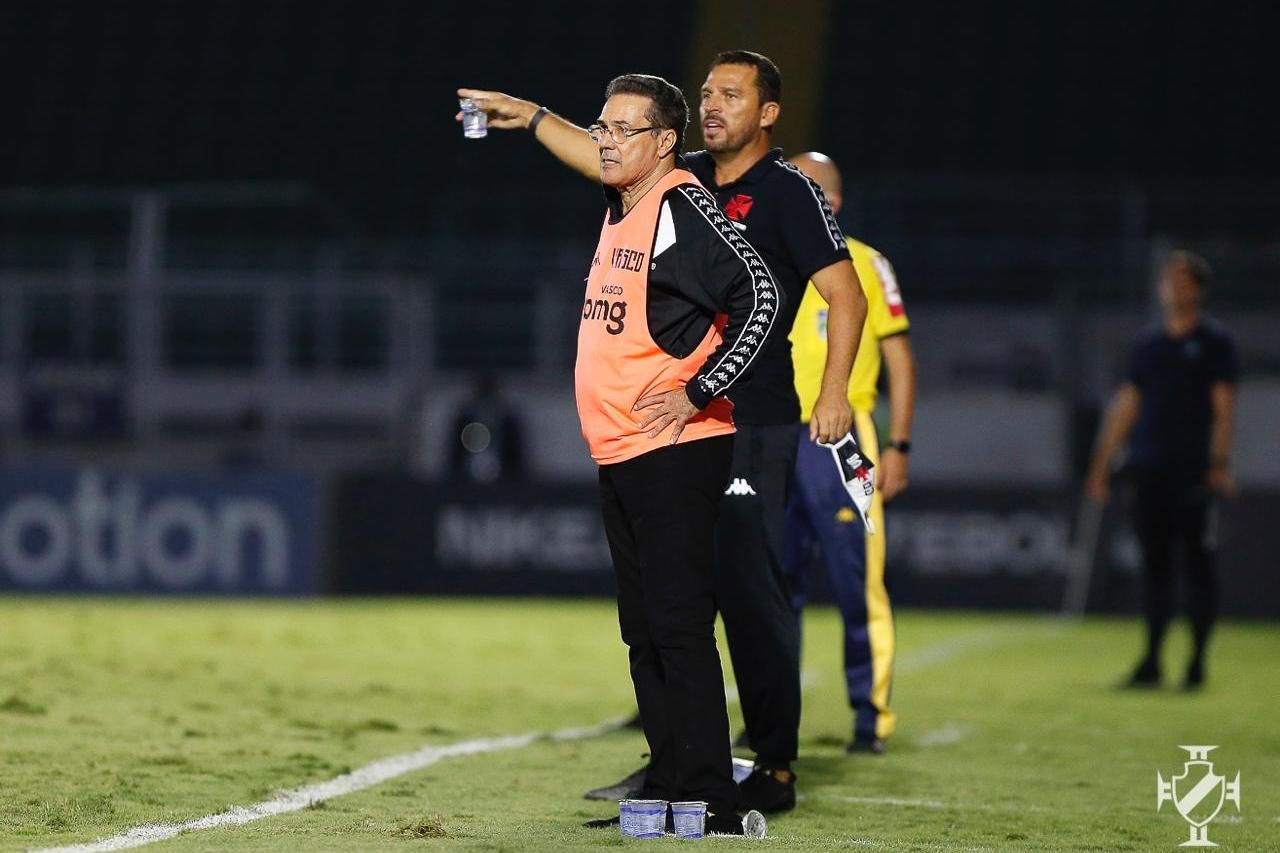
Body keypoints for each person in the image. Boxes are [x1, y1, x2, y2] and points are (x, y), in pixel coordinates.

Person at [459, 49, 867, 815]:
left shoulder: (775, 194)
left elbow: (818, 295)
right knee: (661, 616)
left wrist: (828, 390)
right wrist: (534, 116)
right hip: (655, 432)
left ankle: (765, 765)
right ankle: (676, 769)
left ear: (768, 112)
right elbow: (603, 153)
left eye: (731, 94)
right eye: (707, 91)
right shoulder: (665, 186)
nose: (715, 104)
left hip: (747, 418)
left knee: (738, 597)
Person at [568, 72, 777, 834]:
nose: (606, 141)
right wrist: (530, 121)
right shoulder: (621, 203)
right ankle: (664, 784)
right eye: (601, 127)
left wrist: (698, 391)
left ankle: (711, 795)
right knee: (644, 628)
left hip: (678, 448)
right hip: (621, 449)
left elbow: (760, 293)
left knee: (680, 623)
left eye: (625, 130)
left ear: (664, 143)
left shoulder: (681, 203)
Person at [782, 152, 917, 755]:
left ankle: (870, 717)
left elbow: (900, 362)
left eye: (805, 188)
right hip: (774, 436)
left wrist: (898, 444)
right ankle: (769, 714)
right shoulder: (763, 256)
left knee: (857, 582)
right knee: (769, 586)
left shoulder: (866, 262)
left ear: (830, 203)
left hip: (843, 443)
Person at [1085, 251, 1239, 689]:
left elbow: (1224, 409)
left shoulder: (1214, 342)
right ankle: (1151, 660)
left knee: (1197, 566)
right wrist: (1102, 464)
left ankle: (1196, 661)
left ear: (1199, 289)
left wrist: (1218, 463)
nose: (1171, 287)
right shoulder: (1148, 346)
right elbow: (1126, 406)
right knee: (1155, 566)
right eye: (1167, 280)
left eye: (1182, 280)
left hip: (1193, 472)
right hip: (1148, 470)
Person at [447, 371, 526, 484]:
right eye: (484, 390)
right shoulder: (465, 418)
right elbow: (454, 455)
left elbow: (516, 458)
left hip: (503, 479)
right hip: (466, 478)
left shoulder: (508, 420)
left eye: (488, 390)